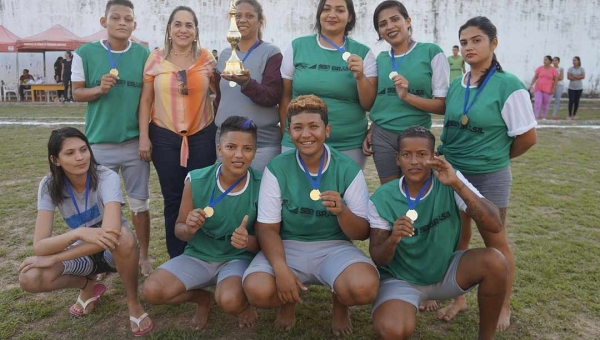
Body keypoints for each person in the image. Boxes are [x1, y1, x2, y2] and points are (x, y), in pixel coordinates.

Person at [243, 95, 379, 336]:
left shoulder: (347, 168)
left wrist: (342, 212)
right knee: (257, 290)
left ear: (327, 130)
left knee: (364, 287)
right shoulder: (277, 167)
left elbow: (361, 233)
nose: (306, 134)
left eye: (313, 126)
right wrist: (281, 268)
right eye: (297, 127)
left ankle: (340, 305)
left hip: (334, 246)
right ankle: (288, 302)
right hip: (288, 245)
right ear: (289, 131)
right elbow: (267, 228)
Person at [437, 16, 537, 331]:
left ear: (493, 43)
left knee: (496, 242)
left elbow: (527, 137)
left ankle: (503, 303)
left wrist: (493, 157)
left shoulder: (509, 85)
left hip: (488, 176)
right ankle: (459, 298)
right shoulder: (457, 85)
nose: (469, 46)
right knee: (458, 236)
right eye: (464, 41)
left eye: (477, 40)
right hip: (454, 174)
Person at [369, 126, 508, 340]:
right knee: (392, 330)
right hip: (401, 280)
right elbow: (378, 258)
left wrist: (457, 184)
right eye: (407, 155)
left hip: (444, 273)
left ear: (434, 156)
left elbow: (494, 224)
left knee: (495, 261)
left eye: (422, 154)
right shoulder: (382, 197)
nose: (414, 161)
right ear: (398, 159)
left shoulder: (449, 181)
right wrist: (393, 239)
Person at [18, 127, 154, 337]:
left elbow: (111, 234)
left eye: (83, 150)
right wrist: (77, 234)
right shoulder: (48, 185)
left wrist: (54, 258)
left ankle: (133, 303)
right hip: (83, 253)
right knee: (29, 277)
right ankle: (87, 284)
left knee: (124, 236)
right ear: (56, 160)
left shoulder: (105, 176)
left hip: (113, 252)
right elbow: (40, 245)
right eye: (70, 153)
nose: (80, 157)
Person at [143, 116, 261, 330]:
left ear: (255, 152)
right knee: (152, 290)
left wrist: (247, 242)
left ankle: (242, 305)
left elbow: (265, 241)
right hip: (198, 256)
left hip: (236, 259)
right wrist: (188, 228)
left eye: (247, 149)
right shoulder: (196, 179)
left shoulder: (262, 184)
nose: (238, 155)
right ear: (219, 148)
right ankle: (202, 300)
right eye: (231, 147)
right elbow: (179, 231)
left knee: (230, 301)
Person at [72, 0, 153, 276]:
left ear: (134, 24)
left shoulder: (143, 54)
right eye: (116, 18)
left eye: (127, 19)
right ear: (103, 22)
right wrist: (98, 89)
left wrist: (144, 137)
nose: (122, 23)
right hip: (98, 145)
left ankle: (143, 256)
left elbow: (146, 100)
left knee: (140, 204)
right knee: (101, 208)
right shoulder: (85, 52)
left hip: (133, 145)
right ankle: (103, 260)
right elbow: (76, 93)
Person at [139, 5, 217, 259]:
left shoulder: (207, 59)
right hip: (164, 137)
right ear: (169, 30)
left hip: (202, 136)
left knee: (201, 195)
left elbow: (219, 94)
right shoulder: (155, 59)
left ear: (196, 32)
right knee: (173, 198)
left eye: (189, 25)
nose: (183, 29)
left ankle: (203, 254)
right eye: (178, 24)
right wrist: (144, 137)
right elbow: (145, 101)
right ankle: (178, 257)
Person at [279, 0, 377, 169]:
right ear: (319, 14)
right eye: (326, 9)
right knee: (297, 193)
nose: (332, 15)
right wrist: (287, 133)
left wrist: (360, 77)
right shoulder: (298, 46)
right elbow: (285, 96)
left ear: (350, 16)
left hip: (348, 143)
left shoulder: (363, 53)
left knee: (342, 194)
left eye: (340, 10)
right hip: (301, 140)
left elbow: (368, 104)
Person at [363, 0, 449, 187]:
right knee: (390, 192)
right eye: (382, 24)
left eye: (395, 19)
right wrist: (373, 127)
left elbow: (442, 106)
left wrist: (407, 96)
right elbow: (381, 100)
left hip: (417, 136)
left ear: (408, 21)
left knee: (418, 191)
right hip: (382, 136)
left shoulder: (431, 52)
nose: (390, 26)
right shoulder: (379, 58)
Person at [214, 0, 283, 172]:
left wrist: (246, 83)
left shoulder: (271, 53)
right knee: (231, 194)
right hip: (226, 140)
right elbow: (219, 98)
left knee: (261, 195)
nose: (242, 20)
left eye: (249, 16)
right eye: (237, 16)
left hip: (261, 143)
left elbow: (272, 96)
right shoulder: (224, 55)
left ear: (260, 21)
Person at [529, 55, 558, 120]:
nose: (544, 61)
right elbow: (535, 77)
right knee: (538, 102)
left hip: (548, 89)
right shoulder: (540, 68)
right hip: (539, 87)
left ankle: (543, 116)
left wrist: (553, 88)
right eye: (544, 60)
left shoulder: (553, 70)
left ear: (550, 61)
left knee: (545, 103)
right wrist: (531, 84)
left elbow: (556, 80)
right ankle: (535, 116)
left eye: (546, 60)